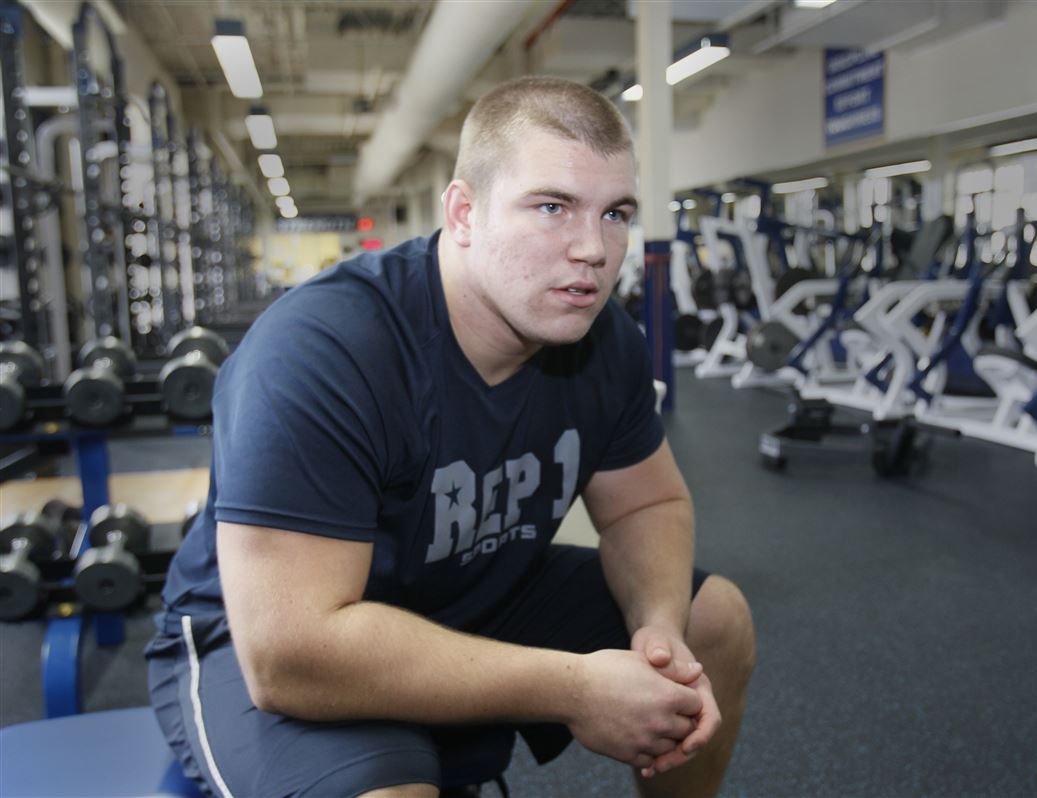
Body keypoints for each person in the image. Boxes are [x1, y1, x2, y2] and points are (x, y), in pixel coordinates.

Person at [147, 76, 755, 798]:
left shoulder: (604, 342)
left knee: (713, 622)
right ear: (464, 214)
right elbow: (291, 653)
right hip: (268, 637)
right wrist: (574, 688)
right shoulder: (323, 351)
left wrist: (657, 630)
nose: (594, 249)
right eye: (553, 207)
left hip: (470, 588)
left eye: (616, 212)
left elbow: (645, 506)